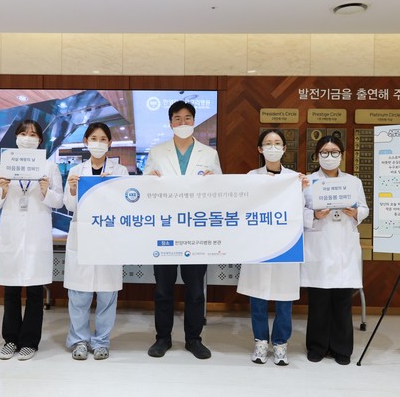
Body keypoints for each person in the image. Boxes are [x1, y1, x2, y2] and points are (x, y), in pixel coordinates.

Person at [144, 100, 222, 360]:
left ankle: (193, 339)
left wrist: (212, 183)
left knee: (196, 290)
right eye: (177, 118)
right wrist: (149, 182)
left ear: (194, 121)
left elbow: (220, 189)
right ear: (170, 123)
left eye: (187, 118)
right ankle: (162, 338)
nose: (183, 122)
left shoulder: (208, 154)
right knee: (163, 289)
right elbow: (144, 187)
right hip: (165, 229)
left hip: (196, 231)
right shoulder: (157, 152)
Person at [0, 119, 64, 361]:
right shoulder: (5, 166)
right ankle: (10, 339)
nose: (28, 138)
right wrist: (1, 189)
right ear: (16, 137)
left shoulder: (49, 167)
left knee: (34, 289)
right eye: (23, 133)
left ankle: (30, 342)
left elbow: (59, 201)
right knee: (11, 289)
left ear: (40, 139)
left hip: (36, 234)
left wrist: (46, 190)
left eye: (33, 134)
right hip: (12, 232)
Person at [236, 129, 307, 366]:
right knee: (258, 298)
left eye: (277, 143)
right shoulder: (251, 176)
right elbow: (244, 208)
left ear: (285, 148)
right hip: (259, 246)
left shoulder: (295, 179)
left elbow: (301, 214)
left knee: (284, 299)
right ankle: (260, 342)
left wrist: (303, 189)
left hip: (286, 246)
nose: (273, 147)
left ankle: (280, 344)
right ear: (260, 149)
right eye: (268, 143)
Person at [301, 135, 369, 366]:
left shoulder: (353, 181)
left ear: (342, 155)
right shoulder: (308, 181)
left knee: (342, 301)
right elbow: (298, 210)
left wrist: (356, 212)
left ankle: (342, 348)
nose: (329, 157)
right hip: (319, 245)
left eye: (334, 152)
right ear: (317, 155)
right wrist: (314, 214)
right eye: (324, 152)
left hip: (344, 246)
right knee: (319, 301)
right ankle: (317, 346)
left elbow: (364, 208)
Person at [63, 122, 128, 361]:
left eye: (103, 139)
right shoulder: (76, 171)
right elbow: (69, 206)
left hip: (107, 238)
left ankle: (101, 341)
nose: (98, 143)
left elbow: (125, 205)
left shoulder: (120, 172)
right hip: (82, 236)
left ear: (109, 143)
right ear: (86, 141)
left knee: (107, 294)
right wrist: (72, 190)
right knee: (79, 294)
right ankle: (79, 341)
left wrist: (113, 189)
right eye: (93, 138)